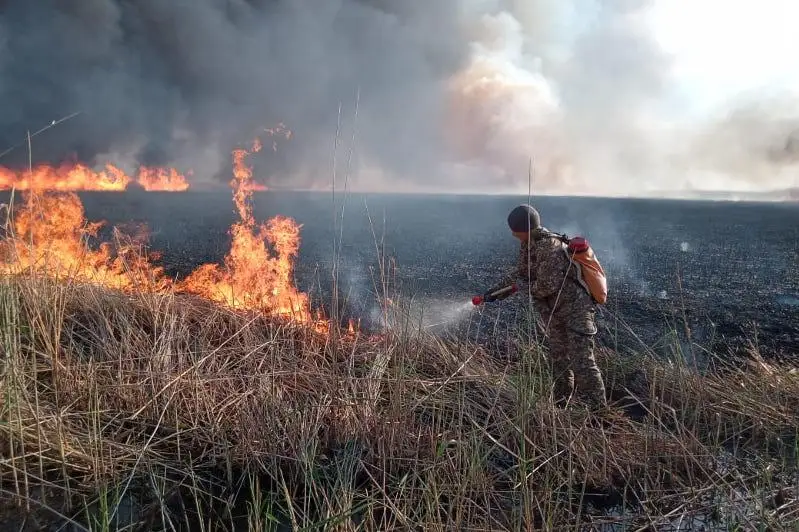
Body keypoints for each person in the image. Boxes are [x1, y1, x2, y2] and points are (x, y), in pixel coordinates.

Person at [488, 204, 608, 410]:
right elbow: (521, 274)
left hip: (576, 309)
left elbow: (546, 286)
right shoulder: (529, 243)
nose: (513, 234)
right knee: (559, 358)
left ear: (523, 229)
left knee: (582, 361)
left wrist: (522, 288)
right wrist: (495, 292)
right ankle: (561, 405)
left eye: (514, 230)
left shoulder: (549, 247)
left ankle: (598, 411)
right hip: (556, 311)